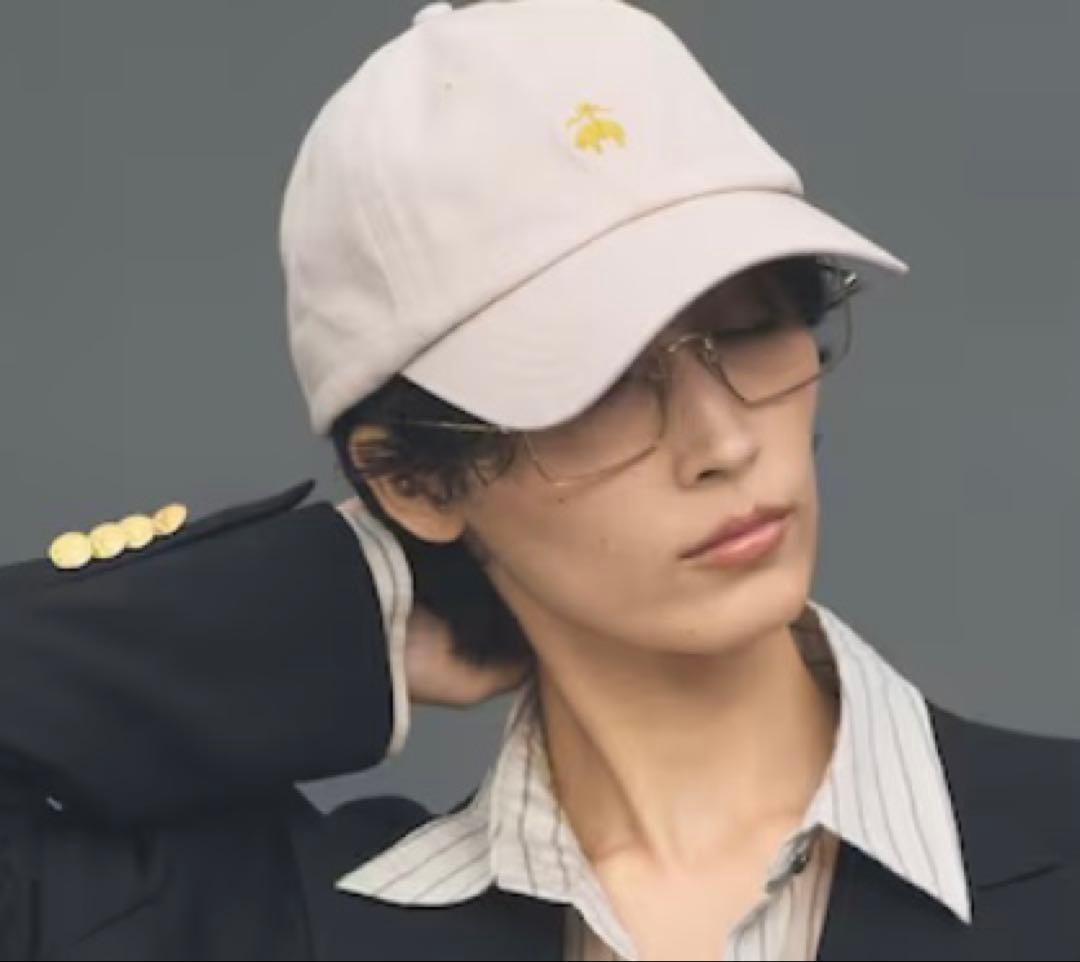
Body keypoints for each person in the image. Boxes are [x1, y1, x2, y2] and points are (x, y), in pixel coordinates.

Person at [1, 1, 1078, 959]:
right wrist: (330, 606)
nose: (721, 440)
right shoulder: (273, 928)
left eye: (751, 329)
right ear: (412, 479)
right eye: (599, 385)